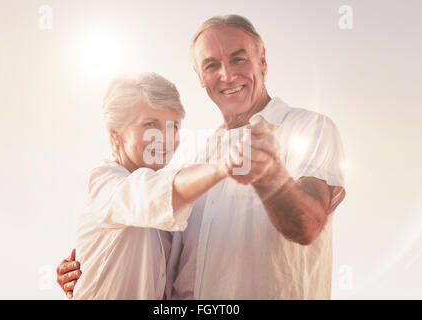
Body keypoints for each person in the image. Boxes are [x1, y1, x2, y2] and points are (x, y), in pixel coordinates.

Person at [57, 15, 346, 299]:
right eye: (211, 65)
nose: (227, 75)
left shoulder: (310, 128)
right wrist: (91, 269)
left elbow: (308, 226)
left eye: (238, 59)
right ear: (200, 77)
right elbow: (155, 239)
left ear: (262, 60)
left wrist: (271, 178)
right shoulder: (192, 160)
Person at [68, 72, 240, 299]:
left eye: (174, 127)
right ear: (115, 134)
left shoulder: (166, 204)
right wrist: (223, 166)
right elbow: (144, 196)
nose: (164, 138)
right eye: (150, 125)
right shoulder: (103, 181)